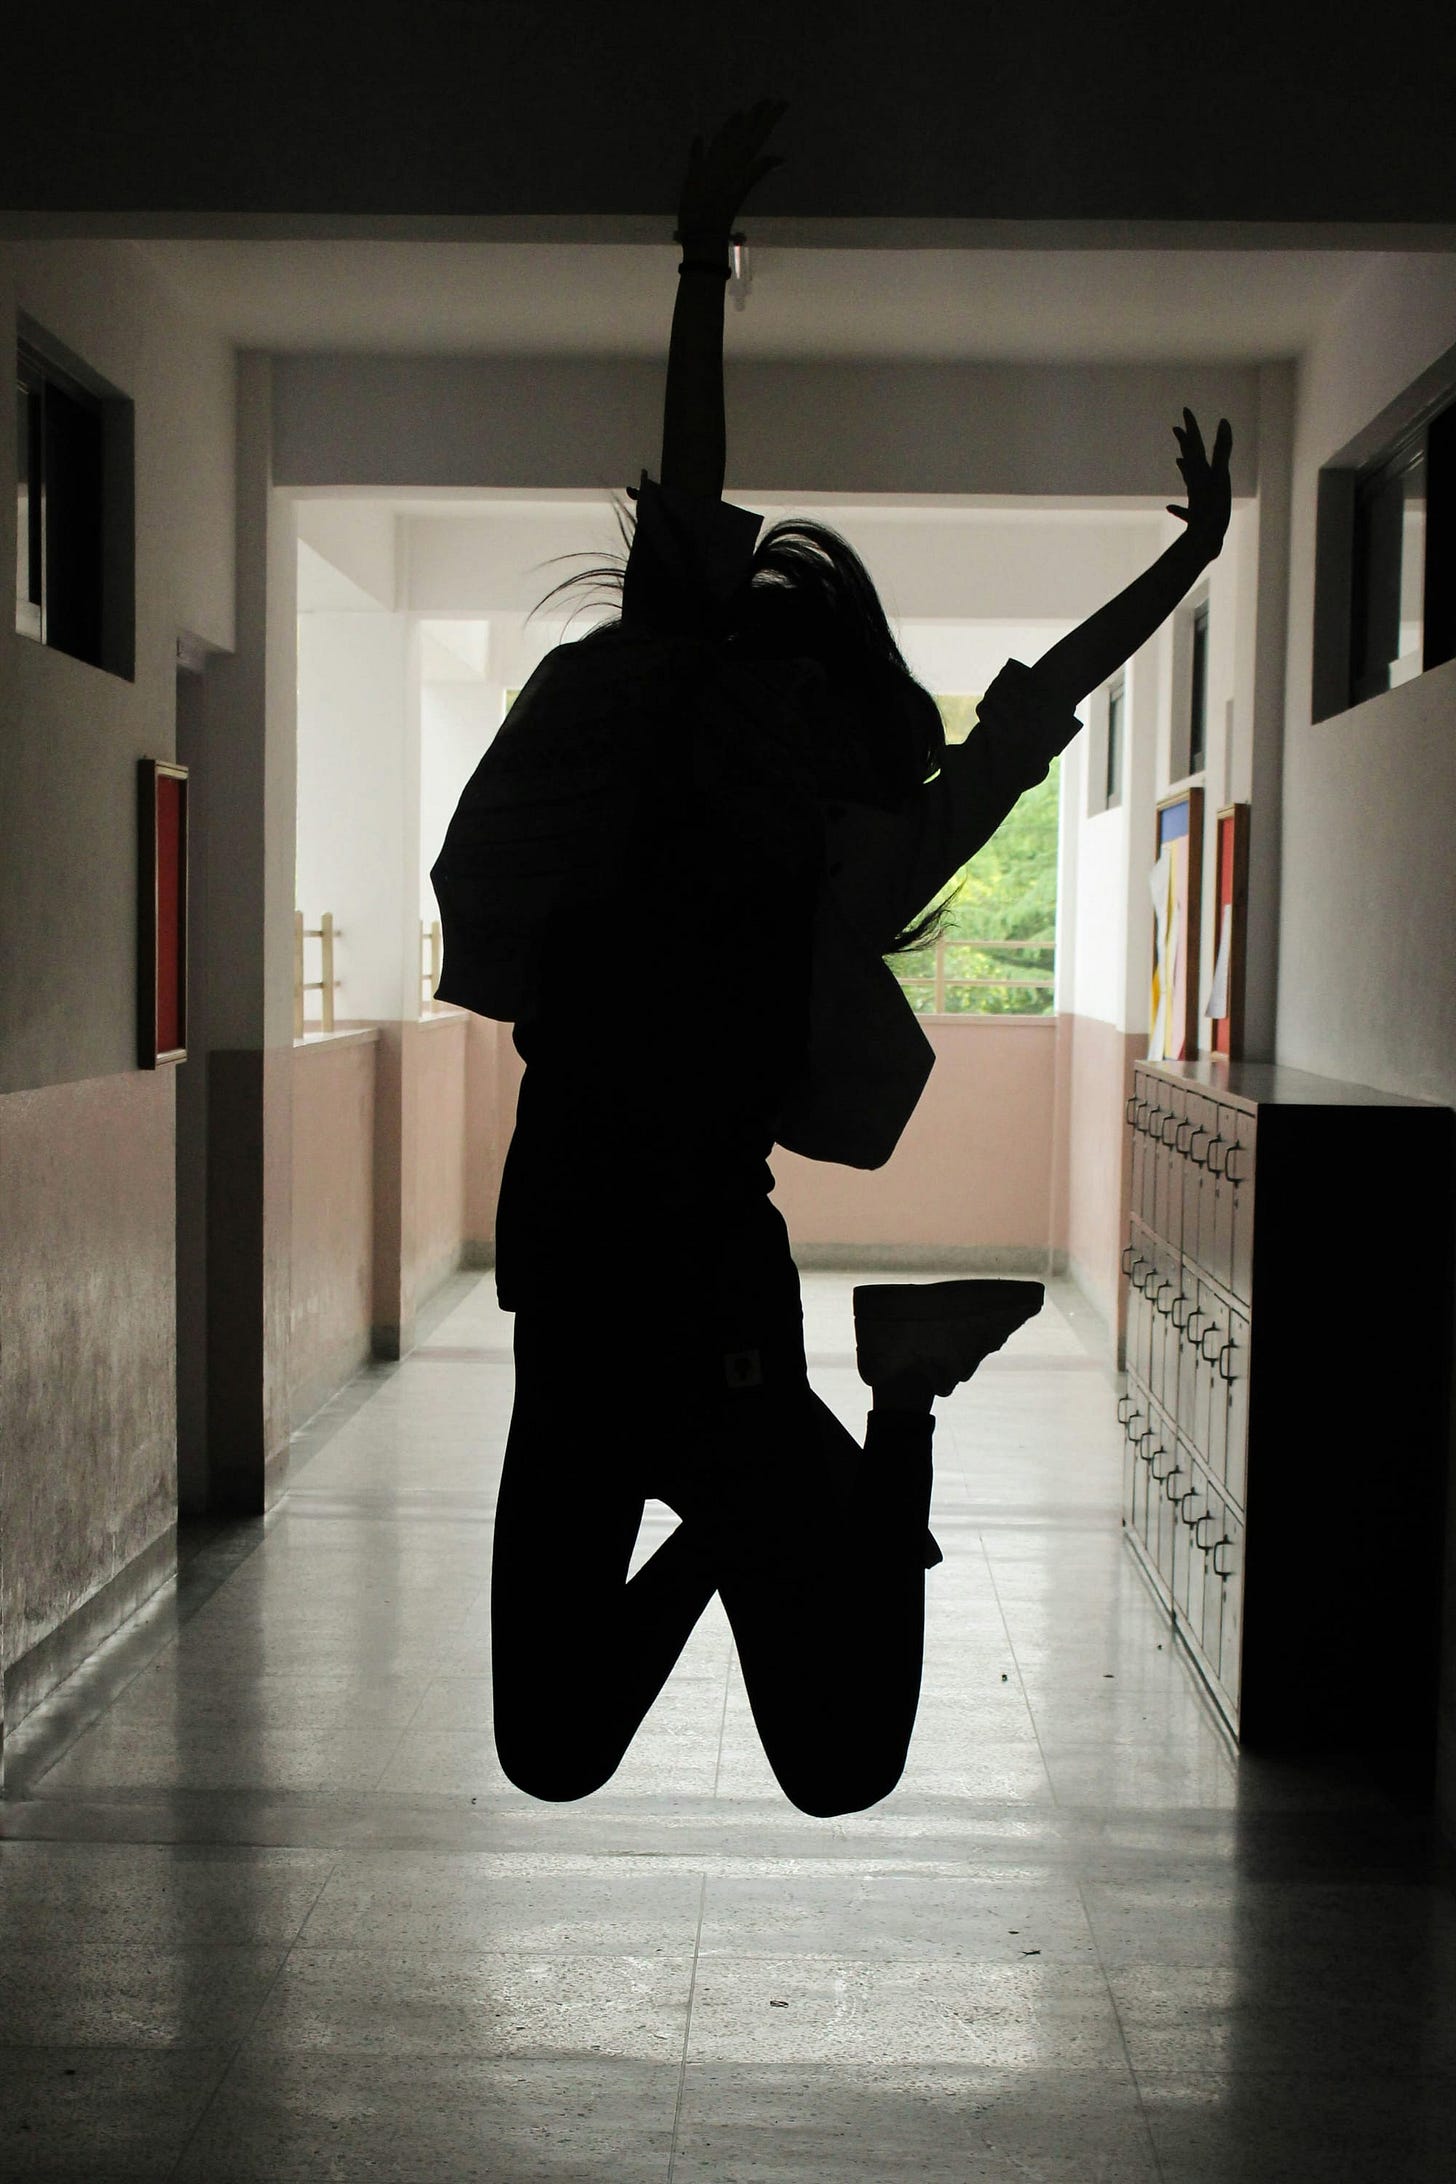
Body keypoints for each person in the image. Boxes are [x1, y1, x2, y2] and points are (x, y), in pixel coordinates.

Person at [431, 105, 1232, 1817]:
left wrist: (1189, 558)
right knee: (549, 1746)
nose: (787, 717)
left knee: (842, 1763)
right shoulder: (643, 753)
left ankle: (904, 1398)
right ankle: (780, 1499)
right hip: (573, 1322)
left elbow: (1032, 716)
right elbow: (688, 495)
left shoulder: (839, 869)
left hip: (714, 1320)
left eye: (815, 703)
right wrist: (698, 265)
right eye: (771, 682)